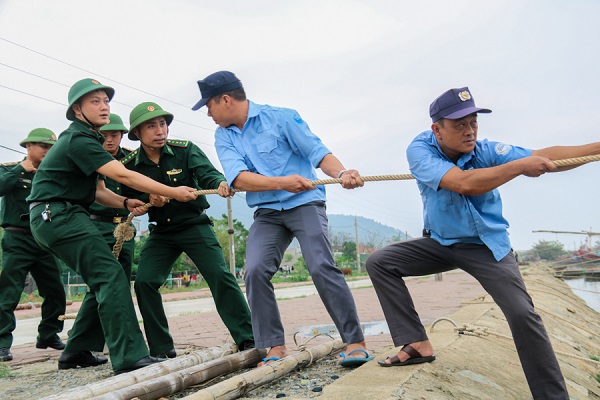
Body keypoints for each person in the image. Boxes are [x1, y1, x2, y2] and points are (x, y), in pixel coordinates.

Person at [365, 87, 600, 399]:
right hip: (441, 242)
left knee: (522, 314)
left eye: (473, 122)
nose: (470, 130)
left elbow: (543, 156)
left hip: (488, 248)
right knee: (379, 261)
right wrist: (518, 169)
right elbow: (463, 184)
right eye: (460, 125)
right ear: (437, 128)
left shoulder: (486, 150)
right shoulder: (420, 151)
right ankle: (417, 343)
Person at [192, 71, 371, 367]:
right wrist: (282, 182)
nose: (208, 114)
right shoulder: (223, 135)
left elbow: (317, 152)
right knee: (255, 270)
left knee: (320, 265)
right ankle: (274, 347)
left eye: (208, 106)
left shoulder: (282, 117)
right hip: (267, 213)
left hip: (304, 204)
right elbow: (239, 178)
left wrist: (342, 173)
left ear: (225, 100)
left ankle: (355, 341)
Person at [27, 78, 198, 374]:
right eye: (95, 101)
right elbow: (125, 175)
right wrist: (173, 191)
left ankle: (77, 350)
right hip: (57, 214)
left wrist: (124, 203)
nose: (104, 106)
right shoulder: (78, 139)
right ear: (77, 109)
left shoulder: (86, 140)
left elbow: (98, 191)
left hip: (56, 215)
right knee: (110, 275)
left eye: (106, 100)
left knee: (105, 276)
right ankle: (130, 356)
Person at [121, 101, 254, 358]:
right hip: (161, 232)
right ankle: (162, 349)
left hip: (194, 225)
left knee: (220, 275)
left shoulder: (185, 150)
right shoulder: (129, 164)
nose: (160, 131)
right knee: (145, 283)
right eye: (152, 126)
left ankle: (248, 338)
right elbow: (127, 194)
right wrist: (147, 198)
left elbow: (207, 174)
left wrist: (219, 183)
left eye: (163, 124)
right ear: (137, 133)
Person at [0, 128, 65, 362]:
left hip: (44, 239)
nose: (48, 151)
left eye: (51, 147)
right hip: (17, 238)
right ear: (28, 147)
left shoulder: (53, 174)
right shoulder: (9, 170)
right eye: (43, 147)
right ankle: (2, 342)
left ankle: (49, 335)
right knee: (8, 292)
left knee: (55, 290)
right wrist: (20, 170)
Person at [88, 114, 136, 283]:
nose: (109, 140)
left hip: (125, 226)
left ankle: (123, 310)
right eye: (104, 135)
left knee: (124, 279)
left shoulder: (133, 159)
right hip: (97, 226)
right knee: (100, 281)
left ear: (122, 135)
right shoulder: (88, 159)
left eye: (114, 135)